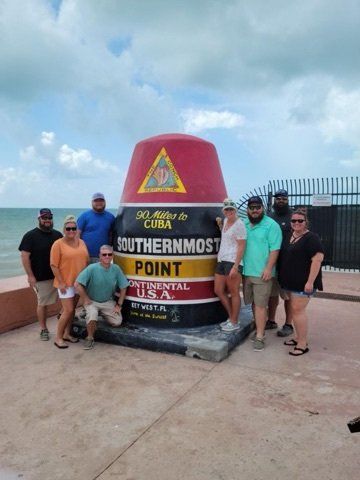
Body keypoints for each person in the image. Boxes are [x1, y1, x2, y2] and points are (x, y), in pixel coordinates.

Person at [278, 209, 324, 356]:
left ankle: (303, 344)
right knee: (295, 309)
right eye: (294, 221)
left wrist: (310, 282)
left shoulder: (311, 238)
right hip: (291, 282)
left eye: (300, 221)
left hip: (304, 283)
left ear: (306, 222)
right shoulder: (289, 236)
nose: (296, 223)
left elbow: (317, 260)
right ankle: (298, 337)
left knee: (298, 311)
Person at [242, 196, 282, 351]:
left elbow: (275, 249)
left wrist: (268, 268)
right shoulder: (244, 224)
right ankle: (260, 328)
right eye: (252, 207)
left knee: (260, 305)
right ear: (247, 209)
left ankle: (260, 336)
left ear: (263, 208)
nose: (255, 210)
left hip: (262, 273)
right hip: (247, 272)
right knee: (253, 303)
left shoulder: (272, 225)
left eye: (258, 207)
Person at [18, 209, 63, 341]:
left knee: (68, 300)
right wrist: (30, 276)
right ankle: (43, 329)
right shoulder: (30, 236)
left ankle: (63, 319)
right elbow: (25, 257)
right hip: (41, 277)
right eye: (44, 218)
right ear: (39, 219)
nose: (47, 220)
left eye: (49, 217)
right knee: (42, 304)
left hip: (58, 276)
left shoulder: (57, 234)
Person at [75, 245, 129, 350]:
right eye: (104, 254)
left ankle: (99, 313)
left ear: (112, 256)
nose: (107, 256)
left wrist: (119, 305)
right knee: (93, 315)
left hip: (107, 301)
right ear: (100, 256)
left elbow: (124, 287)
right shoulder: (92, 268)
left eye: (109, 254)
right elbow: (77, 284)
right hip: (92, 301)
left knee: (117, 322)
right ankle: (90, 337)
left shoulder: (116, 268)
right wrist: (85, 299)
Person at [50, 215, 89, 349]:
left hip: (78, 283)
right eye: (68, 228)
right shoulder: (58, 244)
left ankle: (67, 334)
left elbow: (86, 260)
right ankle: (58, 338)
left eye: (74, 228)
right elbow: (54, 265)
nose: (71, 231)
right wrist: (60, 282)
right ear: (64, 229)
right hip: (65, 283)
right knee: (68, 310)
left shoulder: (81, 242)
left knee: (73, 311)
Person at [214, 198, 247, 332]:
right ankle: (232, 317)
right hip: (222, 260)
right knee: (218, 290)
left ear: (235, 210)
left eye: (231, 209)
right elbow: (226, 235)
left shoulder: (240, 225)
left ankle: (234, 321)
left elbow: (241, 246)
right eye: (226, 209)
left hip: (233, 261)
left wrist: (235, 266)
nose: (229, 211)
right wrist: (220, 225)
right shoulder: (226, 221)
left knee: (234, 292)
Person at [267, 189, 294, 337]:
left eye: (283, 198)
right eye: (278, 198)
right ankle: (271, 321)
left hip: (288, 264)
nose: (281, 200)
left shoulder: (293, 217)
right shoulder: (269, 216)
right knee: (272, 294)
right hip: (272, 262)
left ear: (287, 199)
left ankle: (289, 324)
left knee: (288, 296)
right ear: (274, 200)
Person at [77, 193, 115, 263]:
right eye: (96, 201)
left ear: (105, 202)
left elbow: (112, 235)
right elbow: (77, 235)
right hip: (86, 256)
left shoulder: (111, 217)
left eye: (101, 200)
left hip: (104, 257)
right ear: (92, 202)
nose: (99, 203)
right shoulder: (84, 216)